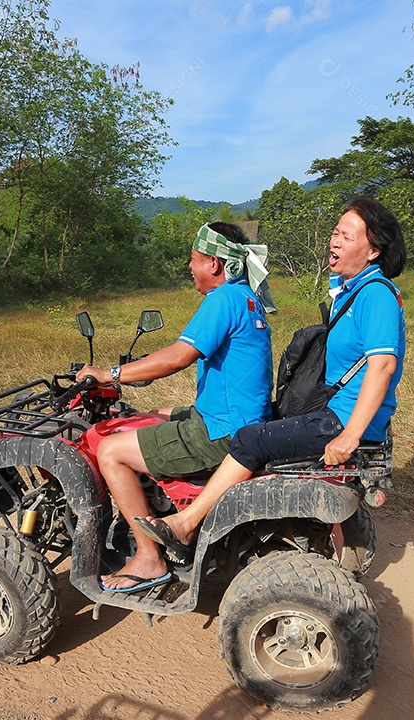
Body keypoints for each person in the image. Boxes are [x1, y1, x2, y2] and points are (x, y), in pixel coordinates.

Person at [136, 197, 405, 559]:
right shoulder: (353, 291)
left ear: (373, 251)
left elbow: (383, 367)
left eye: (347, 236)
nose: (335, 241)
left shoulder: (376, 295)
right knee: (268, 422)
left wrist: (350, 435)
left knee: (250, 439)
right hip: (337, 410)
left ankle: (185, 525)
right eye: (335, 233)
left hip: (343, 418)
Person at [75, 222, 275, 592]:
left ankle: (148, 558)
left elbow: (179, 356)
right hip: (240, 418)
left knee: (110, 451)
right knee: (154, 413)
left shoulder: (223, 298)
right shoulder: (246, 296)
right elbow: (175, 355)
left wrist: (110, 374)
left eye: (194, 259)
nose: (190, 266)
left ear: (215, 264)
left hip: (222, 432)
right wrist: (134, 372)